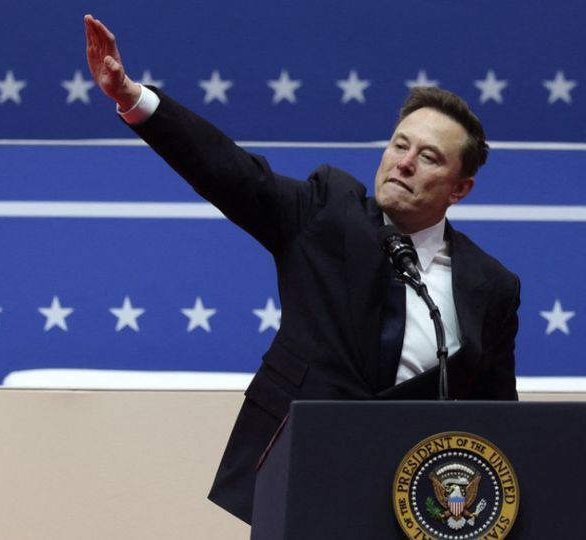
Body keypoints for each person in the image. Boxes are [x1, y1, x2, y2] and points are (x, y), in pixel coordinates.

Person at [83, 14, 520, 524]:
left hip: (413, 501)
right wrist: (132, 98)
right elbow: (229, 171)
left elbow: (497, 416)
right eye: (400, 144)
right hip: (299, 472)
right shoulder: (326, 212)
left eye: (428, 157)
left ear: (460, 188)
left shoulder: (491, 286)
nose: (404, 162)